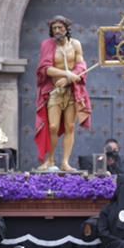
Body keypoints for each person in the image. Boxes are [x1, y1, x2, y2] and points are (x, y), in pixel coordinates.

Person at [33, 16, 90, 173]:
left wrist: (70, 78)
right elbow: (45, 68)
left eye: (60, 27)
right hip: (54, 92)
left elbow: (81, 65)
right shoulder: (47, 45)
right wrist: (66, 74)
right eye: (54, 28)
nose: (57, 31)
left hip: (71, 92)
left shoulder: (76, 44)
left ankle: (65, 162)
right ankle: (50, 160)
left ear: (66, 28)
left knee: (70, 126)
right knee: (53, 126)